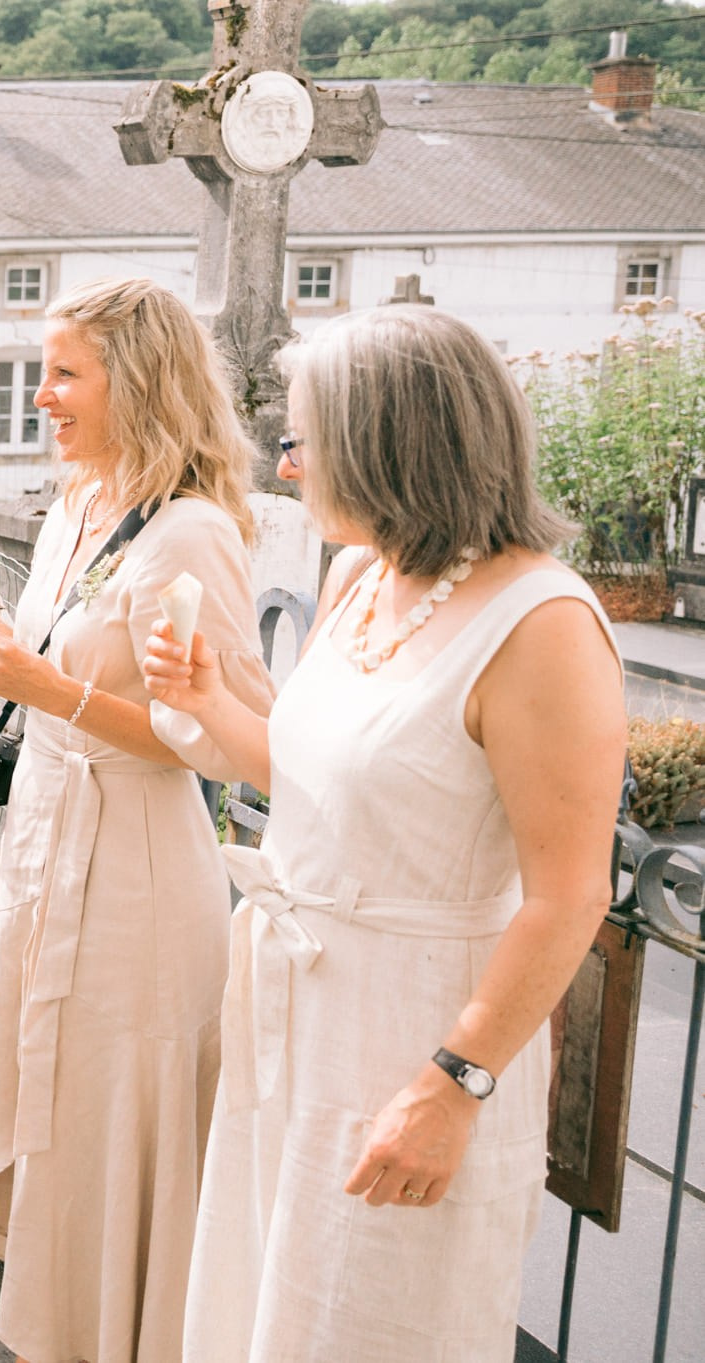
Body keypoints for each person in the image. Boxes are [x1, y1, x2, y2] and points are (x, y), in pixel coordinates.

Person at [142, 306, 623, 1362]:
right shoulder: (360, 575)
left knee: (369, 1325)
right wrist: (212, 698)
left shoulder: (542, 624)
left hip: (417, 1034)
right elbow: (313, 785)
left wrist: (452, 1084)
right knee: (260, 1306)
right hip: (291, 1016)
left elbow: (569, 892)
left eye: (304, 437)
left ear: (388, 442)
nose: (286, 463)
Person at [0, 277, 273, 1362]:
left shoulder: (191, 534)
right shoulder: (81, 504)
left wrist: (45, 690)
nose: (43, 395)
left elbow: (229, 739)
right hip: (43, 840)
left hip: (133, 871)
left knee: (106, 1117)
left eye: (65, 372)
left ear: (138, 379)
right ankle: (55, 1332)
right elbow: (59, 652)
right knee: (52, 1109)